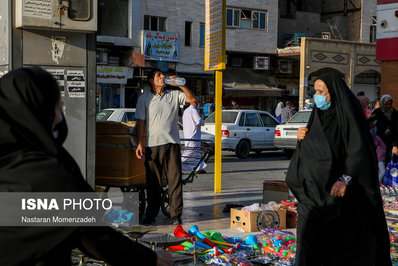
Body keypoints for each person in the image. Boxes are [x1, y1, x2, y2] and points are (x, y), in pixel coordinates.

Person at [0, 67, 172, 265]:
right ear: (40, 112)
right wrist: (153, 258)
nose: (59, 118)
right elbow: (96, 236)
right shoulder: (49, 176)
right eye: (57, 108)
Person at [286, 72, 391, 265]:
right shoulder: (318, 116)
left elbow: (359, 151)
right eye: (315, 91)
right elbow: (313, 151)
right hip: (313, 197)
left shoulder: (348, 119)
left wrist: (345, 179)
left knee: (344, 248)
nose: (316, 96)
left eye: (320, 91)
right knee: (309, 248)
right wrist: (303, 139)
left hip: (341, 198)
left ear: (332, 94)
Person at [135, 69, 196, 225]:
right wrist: (140, 143)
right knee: (153, 182)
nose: (162, 77)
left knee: (175, 181)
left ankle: (175, 214)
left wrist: (181, 84)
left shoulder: (174, 95)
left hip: (172, 145)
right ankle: (151, 214)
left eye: (163, 75)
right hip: (152, 145)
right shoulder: (144, 98)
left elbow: (192, 99)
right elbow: (140, 123)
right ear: (151, 80)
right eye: (158, 75)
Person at [368, 94, 398, 164]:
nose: (388, 106)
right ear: (382, 103)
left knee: (391, 162)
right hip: (380, 142)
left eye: (390, 104)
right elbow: (368, 121)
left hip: (391, 142)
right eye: (386, 104)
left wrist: (395, 145)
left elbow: (396, 130)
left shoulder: (395, 113)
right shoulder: (378, 112)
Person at [181, 102, 207, 174]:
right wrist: (203, 121)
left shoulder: (186, 111)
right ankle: (177, 167)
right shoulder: (193, 110)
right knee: (190, 151)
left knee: (196, 152)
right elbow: (198, 121)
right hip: (193, 135)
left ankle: (199, 168)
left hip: (189, 134)